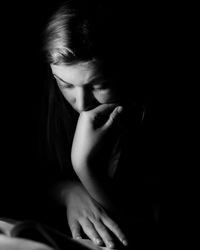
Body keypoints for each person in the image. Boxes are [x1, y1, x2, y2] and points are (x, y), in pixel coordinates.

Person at [41, 0, 160, 249]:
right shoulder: (45, 104)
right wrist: (68, 192)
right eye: (66, 84)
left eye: (99, 84)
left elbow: (144, 232)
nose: (82, 103)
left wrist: (85, 168)